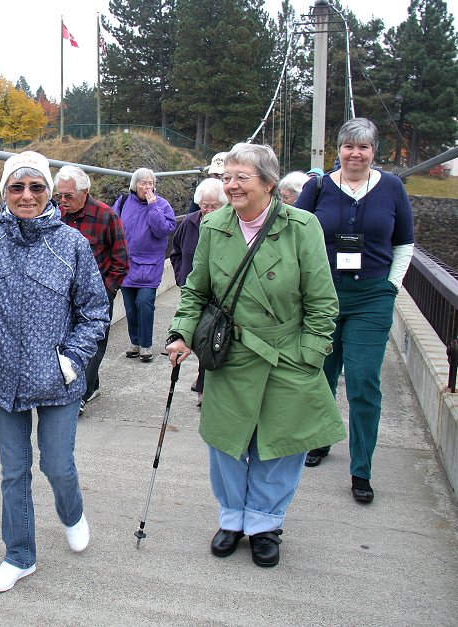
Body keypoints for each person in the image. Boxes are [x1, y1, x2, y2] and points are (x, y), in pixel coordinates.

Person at [166, 143, 346, 568]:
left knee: (281, 445)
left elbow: (323, 302)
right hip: (230, 353)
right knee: (227, 442)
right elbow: (196, 290)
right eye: (226, 177)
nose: (230, 185)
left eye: (240, 177)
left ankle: (264, 524)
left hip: (287, 354)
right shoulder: (214, 226)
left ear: (268, 182)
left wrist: (309, 355)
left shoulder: (303, 227)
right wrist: (181, 334)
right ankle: (231, 519)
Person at [0, 151, 109, 593]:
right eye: (17, 187)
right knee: (14, 472)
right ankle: (19, 555)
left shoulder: (71, 244)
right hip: (4, 379)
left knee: (57, 465)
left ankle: (71, 512)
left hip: (58, 379)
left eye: (36, 187)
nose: (27, 195)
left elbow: (94, 311)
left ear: (50, 192)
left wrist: (71, 358)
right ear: (4, 193)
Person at [294, 117, 415, 504]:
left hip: (371, 298)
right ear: (339, 150)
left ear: (373, 152)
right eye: (349, 146)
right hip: (323, 297)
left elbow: (405, 243)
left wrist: (391, 286)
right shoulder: (317, 187)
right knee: (321, 374)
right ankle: (321, 439)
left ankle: (361, 469)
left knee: (364, 381)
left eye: (363, 147)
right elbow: (294, 232)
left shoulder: (392, 187)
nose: (356, 154)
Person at [54, 165, 129, 414]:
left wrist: (106, 292)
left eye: (68, 196)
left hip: (97, 294)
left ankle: (80, 395)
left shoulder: (106, 216)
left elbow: (121, 260)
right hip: (62, 294)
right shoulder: (55, 216)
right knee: (66, 341)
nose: (62, 201)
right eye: (59, 196)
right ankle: (90, 384)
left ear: (84, 192)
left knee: (94, 342)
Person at [169, 177, 226, 405]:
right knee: (195, 337)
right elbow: (176, 252)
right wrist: (182, 278)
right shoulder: (190, 222)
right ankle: (203, 382)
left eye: (214, 206)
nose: (209, 210)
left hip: (219, 295)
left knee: (210, 338)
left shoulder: (227, 226)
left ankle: (204, 385)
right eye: (205, 205)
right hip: (192, 291)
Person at [114, 168, 177, 362]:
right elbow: (113, 226)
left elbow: (164, 230)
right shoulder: (123, 202)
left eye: (150, 183)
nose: (147, 187)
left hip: (150, 264)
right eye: (143, 183)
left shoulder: (162, 204)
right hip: (127, 263)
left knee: (145, 303)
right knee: (131, 307)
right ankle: (135, 342)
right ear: (135, 185)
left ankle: (146, 345)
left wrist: (153, 207)